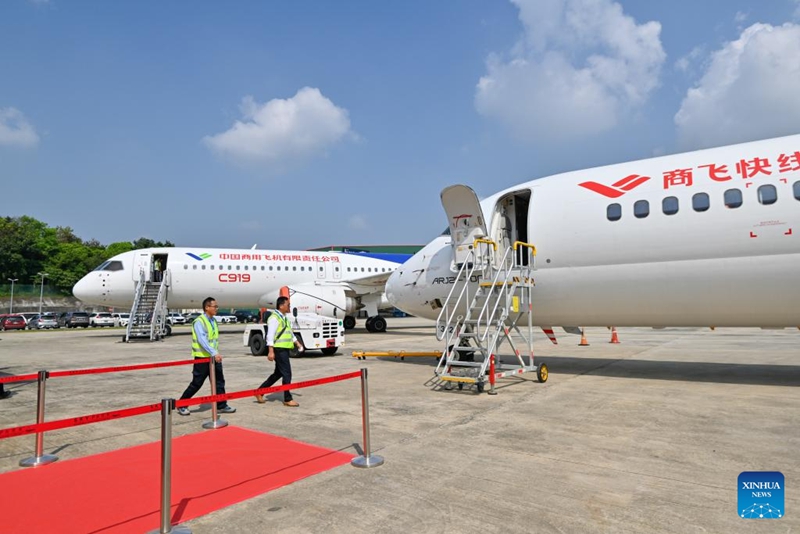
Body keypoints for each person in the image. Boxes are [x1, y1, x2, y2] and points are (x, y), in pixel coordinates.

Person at [177, 297, 235, 415]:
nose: (216, 309)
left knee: (219, 382)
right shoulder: (200, 321)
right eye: (215, 306)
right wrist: (214, 353)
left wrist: (215, 354)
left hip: (214, 357)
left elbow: (212, 340)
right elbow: (202, 340)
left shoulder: (213, 321)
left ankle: (221, 405)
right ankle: (181, 404)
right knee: (197, 382)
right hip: (202, 358)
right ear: (207, 307)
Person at [255, 296, 304, 407]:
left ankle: (260, 392)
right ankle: (287, 398)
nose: (289, 307)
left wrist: (297, 343)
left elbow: (289, 333)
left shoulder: (283, 318)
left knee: (278, 373)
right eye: (288, 305)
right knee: (287, 373)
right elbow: (270, 335)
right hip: (279, 350)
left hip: (284, 349)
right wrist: (270, 351)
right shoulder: (274, 318)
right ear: (281, 305)